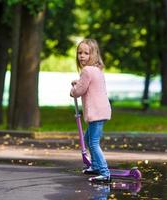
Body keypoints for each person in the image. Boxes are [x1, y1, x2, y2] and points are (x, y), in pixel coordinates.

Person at [70, 39, 111, 183]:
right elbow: (87, 85)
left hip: (96, 113)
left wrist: (73, 90)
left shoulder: (87, 71)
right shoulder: (97, 70)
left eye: (86, 53)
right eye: (79, 53)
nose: (82, 56)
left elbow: (79, 90)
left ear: (93, 55)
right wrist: (79, 83)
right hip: (102, 111)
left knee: (93, 143)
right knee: (88, 139)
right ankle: (94, 166)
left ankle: (104, 172)